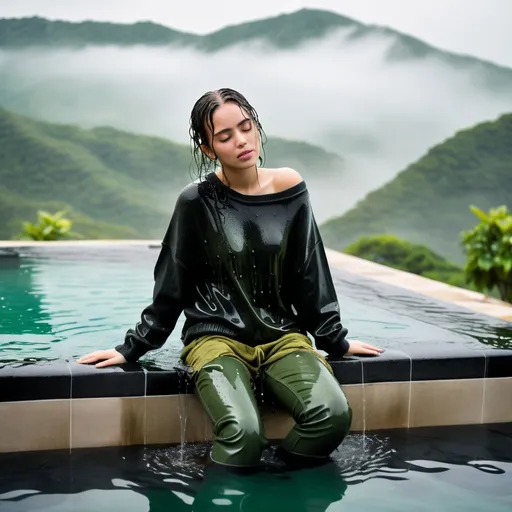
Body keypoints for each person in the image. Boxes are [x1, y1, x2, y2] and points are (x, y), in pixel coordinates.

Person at [77, 88, 382, 469]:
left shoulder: (290, 188)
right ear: (208, 149)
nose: (241, 141)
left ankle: (280, 487)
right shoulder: (196, 202)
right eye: (225, 137)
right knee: (244, 435)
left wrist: (335, 339)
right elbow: (173, 282)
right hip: (216, 340)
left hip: (281, 337)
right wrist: (132, 348)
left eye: (246, 127)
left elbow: (309, 270)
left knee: (331, 417)